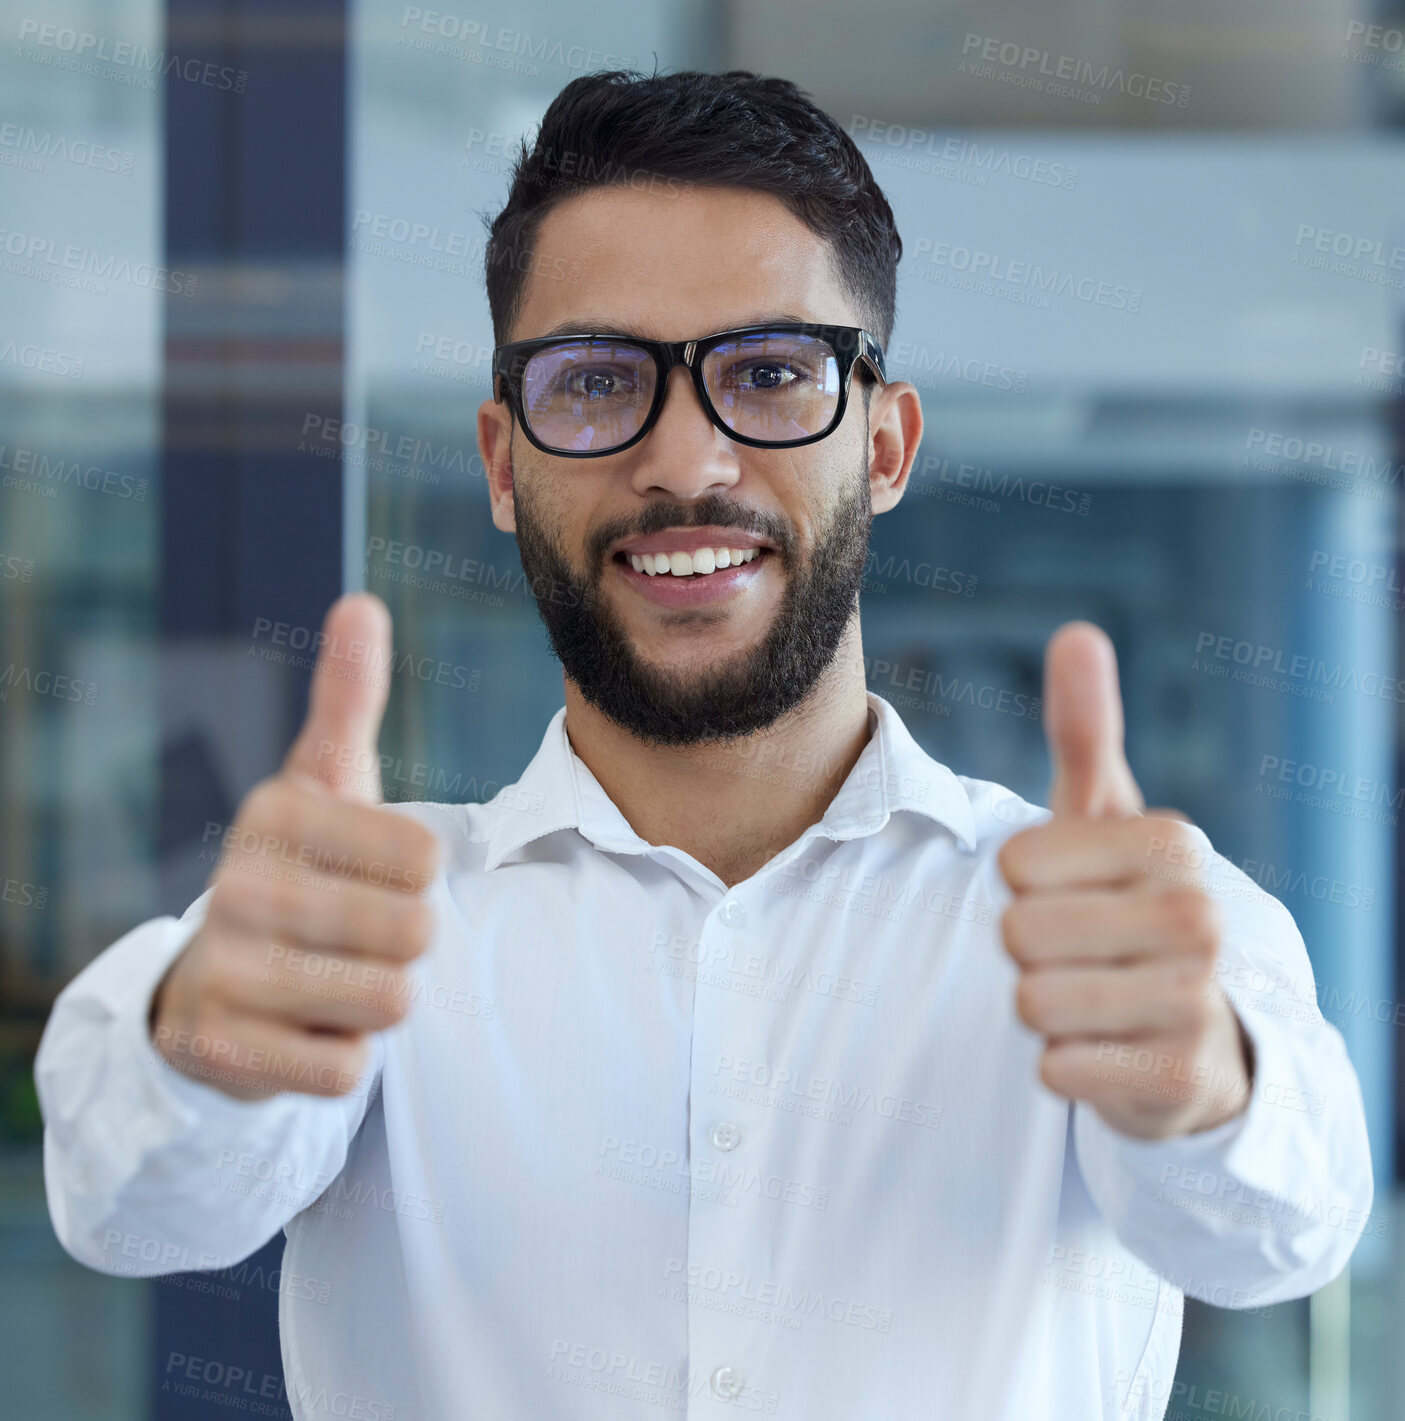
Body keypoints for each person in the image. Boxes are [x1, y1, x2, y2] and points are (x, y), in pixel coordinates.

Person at [37, 67, 1371, 1421]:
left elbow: (1284, 1228)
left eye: (771, 373)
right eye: (598, 379)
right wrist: (190, 1043)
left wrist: (1194, 1078)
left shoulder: (1116, 922)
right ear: (503, 462)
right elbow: (130, 1204)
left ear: (887, 443)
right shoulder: (366, 923)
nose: (686, 461)